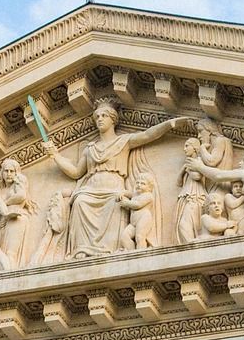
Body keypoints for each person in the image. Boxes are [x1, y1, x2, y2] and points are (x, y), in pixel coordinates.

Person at [45, 100, 197, 257]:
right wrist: (55, 155)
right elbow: (76, 172)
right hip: (90, 190)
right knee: (79, 201)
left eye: (104, 115)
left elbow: (147, 135)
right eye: (97, 116)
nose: (100, 119)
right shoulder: (90, 149)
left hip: (113, 189)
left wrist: (169, 124)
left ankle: (109, 249)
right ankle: (82, 250)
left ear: (113, 119)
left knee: (116, 202)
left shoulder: (123, 141)